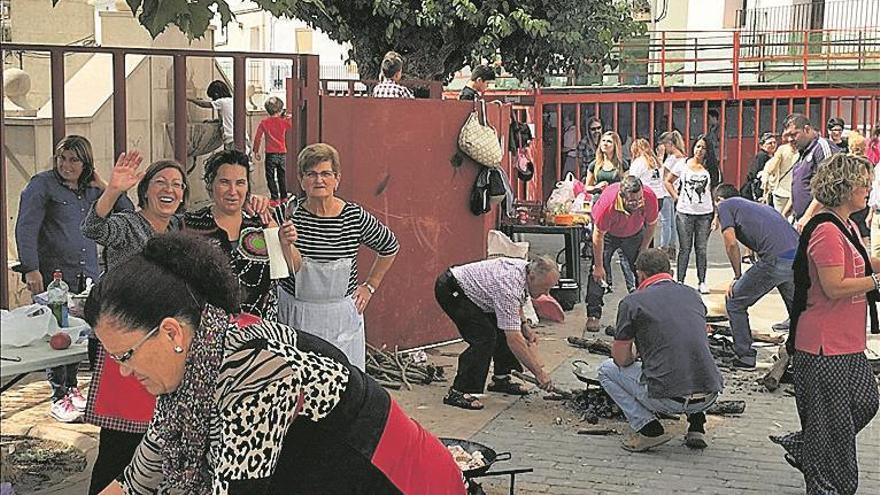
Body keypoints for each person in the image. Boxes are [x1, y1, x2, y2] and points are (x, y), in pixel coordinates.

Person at [85, 232, 467, 495]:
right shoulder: (196, 367)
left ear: (171, 333)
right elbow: (139, 478)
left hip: (402, 482)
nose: (123, 371)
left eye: (125, 355)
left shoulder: (254, 376)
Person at [771, 154, 878, 495]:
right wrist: (875, 282)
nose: (869, 189)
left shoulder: (847, 226)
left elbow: (861, 264)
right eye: (863, 183)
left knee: (864, 402)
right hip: (821, 344)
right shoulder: (827, 231)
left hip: (845, 342)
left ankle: (808, 446)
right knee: (834, 424)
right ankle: (827, 482)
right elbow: (834, 286)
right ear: (844, 187)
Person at [81, 154, 187, 494]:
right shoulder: (129, 224)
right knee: (119, 444)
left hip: (162, 349)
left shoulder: (177, 229)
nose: (169, 189)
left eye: (177, 185)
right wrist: (112, 190)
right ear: (144, 190)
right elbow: (92, 228)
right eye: (161, 182)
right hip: (123, 347)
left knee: (154, 443)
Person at [14, 135, 134, 423]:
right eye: (62, 158)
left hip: (88, 273)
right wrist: (30, 268)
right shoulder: (42, 185)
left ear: (86, 163)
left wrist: (105, 186)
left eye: (73, 160)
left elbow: (128, 214)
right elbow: (26, 227)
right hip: (55, 275)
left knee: (82, 335)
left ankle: (72, 387)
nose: (66, 165)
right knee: (57, 332)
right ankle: (59, 394)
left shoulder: (91, 191)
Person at [279, 143, 399, 371]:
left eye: (326, 174)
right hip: (297, 316)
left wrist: (370, 286)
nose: (319, 181)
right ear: (302, 180)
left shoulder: (353, 217)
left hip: (341, 320)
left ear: (337, 179)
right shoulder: (288, 214)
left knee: (345, 385)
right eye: (311, 174)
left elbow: (390, 246)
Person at [597, 248, 723, 452]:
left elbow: (621, 360)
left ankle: (649, 429)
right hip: (709, 394)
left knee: (605, 370)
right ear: (670, 273)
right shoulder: (692, 294)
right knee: (690, 357)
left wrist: (635, 355)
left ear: (641, 275)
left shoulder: (632, 302)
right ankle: (697, 426)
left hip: (670, 399)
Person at [184, 149, 299, 320]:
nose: (232, 191)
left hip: (260, 331)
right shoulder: (191, 224)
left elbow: (293, 267)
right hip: (207, 334)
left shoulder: (262, 222)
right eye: (224, 182)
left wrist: (285, 243)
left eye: (240, 183)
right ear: (210, 184)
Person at [436, 256, 558, 410]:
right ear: (532, 277)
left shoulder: (525, 271)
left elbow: (517, 303)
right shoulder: (509, 285)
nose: (546, 293)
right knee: (485, 337)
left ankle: (501, 379)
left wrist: (524, 325)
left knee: (504, 327)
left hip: (476, 294)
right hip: (452, 291)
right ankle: (458, 391)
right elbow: (514, 339)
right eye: (545, 287)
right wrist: (539, 373)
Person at [714, 184, 797, 369]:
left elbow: (731, 242)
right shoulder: (760, 207)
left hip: (775, 258)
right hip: (797, 256)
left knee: (735, 301)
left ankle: (745, 356)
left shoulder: (724, 206)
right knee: (797, 311)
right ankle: (800, 355)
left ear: (718, 201)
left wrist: (737, 276)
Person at [584, 176, 658, 333]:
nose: (637, 203)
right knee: (597, 274)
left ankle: (646, 311)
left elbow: (651, 225)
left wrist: (643, 250)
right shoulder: (607, 205)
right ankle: (593, 314)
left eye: (639, 199)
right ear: (622, 197)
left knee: (644, 269)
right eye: (632, 201)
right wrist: (598, 265)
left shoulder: (649, 197)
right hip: (608, 235)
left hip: (635, 233)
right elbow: (598, 235)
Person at [665, 135, 714, 293]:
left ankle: (702, 281)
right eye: (698, 146)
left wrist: (717, 216)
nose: (699, 150)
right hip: (685, 212)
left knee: (701, 248)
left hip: (705, 213)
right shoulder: (683, 164)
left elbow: (716, 191)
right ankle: (680, 280)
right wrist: (676, 197)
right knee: (684, 248)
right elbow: (668, 180)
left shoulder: (710, 168)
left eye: (703, 148)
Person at [784, 113, 838, 232]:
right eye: (787, 135)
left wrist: (808, 215)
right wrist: (786, 213)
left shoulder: (822, 147)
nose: (790, 139)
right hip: (803, 221)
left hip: (820, 221)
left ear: (807, 129)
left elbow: (829, 185)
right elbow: (800, 186)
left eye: (793, 134)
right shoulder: (803, 152)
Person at [629, 137, 670, 253]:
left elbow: (632, 180)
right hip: (659, 197)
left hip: (646, 196)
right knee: (651, 225)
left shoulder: (639, 162)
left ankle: (642, 251)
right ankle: (649, 250)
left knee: (642, 227)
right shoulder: (655, 161)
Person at [253, 96, 293, 200]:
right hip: (282, 152)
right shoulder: (284, 122)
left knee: (270, 176)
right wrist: (288, 117)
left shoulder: (264, 123)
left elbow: (258, 137)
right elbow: (291, 125)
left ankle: (274, 197)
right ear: (281, 109)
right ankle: (284, 197)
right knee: (282, 176)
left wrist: (256, 151)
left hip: (270, 153)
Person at [657, 130, 686, 259]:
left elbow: (662, 175)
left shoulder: (672, 158)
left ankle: (664, 247)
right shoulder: (682, 157)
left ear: (669, 143)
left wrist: (660, 157)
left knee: (665, 221)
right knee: (672, 222)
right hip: (674, 190)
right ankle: (672, 247)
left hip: (665, 191)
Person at [188, 80, 236, 150]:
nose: (213, 100)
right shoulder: (231, 101)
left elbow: (204, 104)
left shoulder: (221, 102)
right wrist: (214, 121)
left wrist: (190, 99)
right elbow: (229, 118)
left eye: (212, 97)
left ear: (216, 94)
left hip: (231, 140)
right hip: (240, 139)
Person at [761, 140, 798, 218]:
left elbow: (771, 169)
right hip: (796, 191)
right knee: (793, 218)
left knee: (779, 217)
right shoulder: (804, 150)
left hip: (781, 191)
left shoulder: (782, 149)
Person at [741, 132, 776, 202]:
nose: (773, 145)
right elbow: (754, 175)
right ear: (762, 145)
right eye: (770, 143)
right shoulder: (762, 156)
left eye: (774, 143)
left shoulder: (774, 157)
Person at [704, 109, 723, 188]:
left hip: (716, 156)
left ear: (714, 118)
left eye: (709, 118)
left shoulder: (720, 130)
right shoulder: (711, 129)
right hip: (712, 155)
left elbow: (720, 143)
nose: (708, 121)